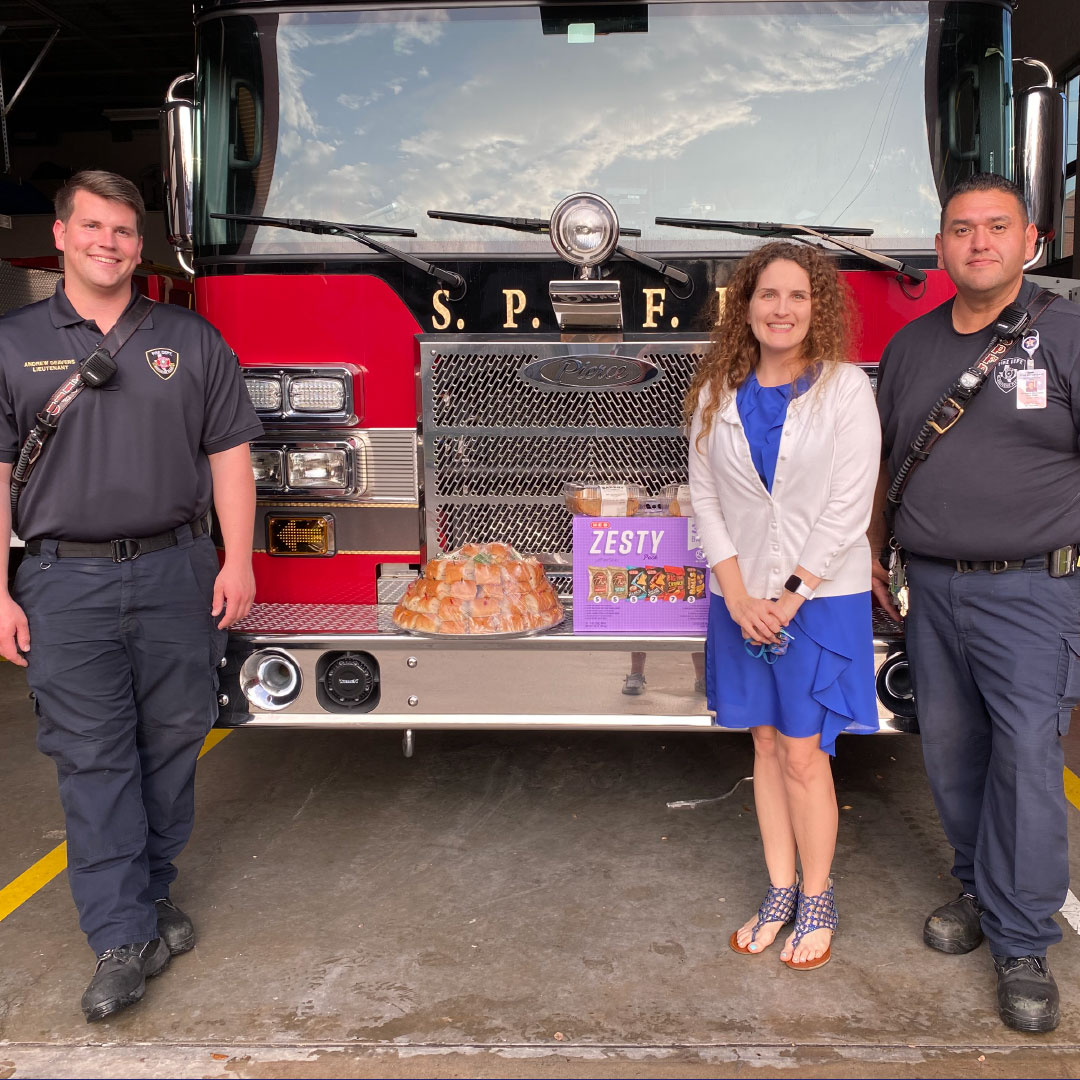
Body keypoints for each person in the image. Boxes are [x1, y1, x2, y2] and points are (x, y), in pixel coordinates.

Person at [0, 170, 263, 1022]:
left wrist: (238, 561)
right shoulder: (13, 343)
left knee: (173, 742)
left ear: (138, 248)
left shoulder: (191, 340)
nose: (107, 242)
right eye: (92, 226)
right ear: (62, 235)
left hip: (176, 572)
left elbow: (229, 455)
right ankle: (118, 936)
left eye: (122, 231)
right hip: (60, 581)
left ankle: (149, 897)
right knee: (92, 756)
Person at [872, 173, 1080, 1033]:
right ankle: (976, 887)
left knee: (1026, 759)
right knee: (952, 755)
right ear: (941, 246)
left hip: (1037, 588)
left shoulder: (1068, 333)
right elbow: (885, 462)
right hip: (933, 587)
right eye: (963, 229)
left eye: (998, 227)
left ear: (1031, 240)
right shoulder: (912, 347)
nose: (980, 242)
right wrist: (871, 554)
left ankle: (1024, 938)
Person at [687, 241, 880, 970]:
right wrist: (738, 594)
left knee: (804, 752)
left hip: (818, 601)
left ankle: (818, 896)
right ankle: (778, 889)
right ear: (747, 305)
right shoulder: (715, 394)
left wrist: (789, 595)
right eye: (768, 295)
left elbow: (847, 505)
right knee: (765, 743)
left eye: (797, 296)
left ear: (816, 308)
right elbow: (706, 500)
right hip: (741, 602)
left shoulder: (844, 391)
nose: (782, 309)